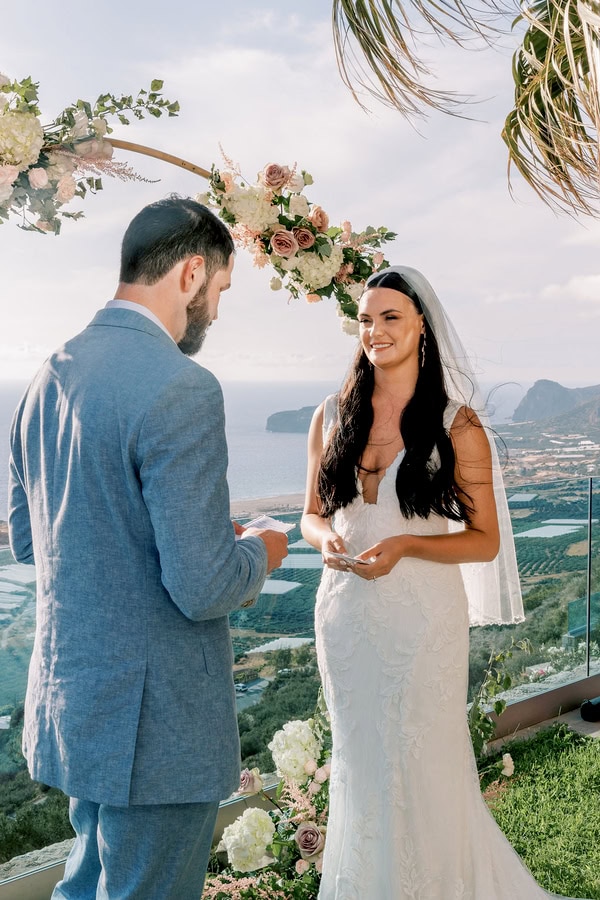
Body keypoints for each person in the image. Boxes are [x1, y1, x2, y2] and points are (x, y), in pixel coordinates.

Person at [8, 196, 288, 900]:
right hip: (157, 725)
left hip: (76, 705)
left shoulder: (44, 380)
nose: (217, 313)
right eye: (221, 290)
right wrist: (263, 548)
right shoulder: (182, 388)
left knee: (85, 888)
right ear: (192, 273)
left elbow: (29, 536)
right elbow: (202, 587)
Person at [301, 266, 585, 899]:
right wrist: (329, 543)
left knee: (424, 765)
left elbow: (484, 540)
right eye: (366, 319)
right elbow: (311, 516)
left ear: (422, 324)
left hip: (422, 622)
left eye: (391, 317)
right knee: (360, 765)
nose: (375, 331)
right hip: (344, 619)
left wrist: (405, 543)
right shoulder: (330, 414)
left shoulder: (458, 426)